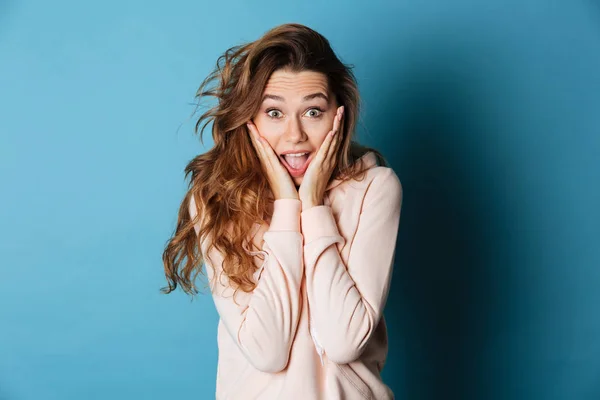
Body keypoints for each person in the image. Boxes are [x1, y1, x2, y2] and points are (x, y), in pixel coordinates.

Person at [162, 23, 403, 400]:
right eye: (274, 113)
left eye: (312, 111)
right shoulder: (215, 199)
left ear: (338, 114)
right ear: (249, 120)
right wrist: (288, 209)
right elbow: (267, 351)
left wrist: (313, 205)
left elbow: (344, 342)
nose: (295, 135)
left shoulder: (374, 188)